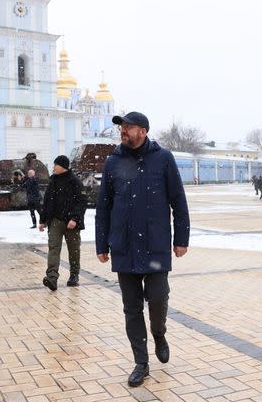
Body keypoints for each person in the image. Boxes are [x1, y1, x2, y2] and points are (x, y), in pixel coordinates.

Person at [95, 111, 190, 388]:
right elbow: (104, 207)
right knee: (131, 308)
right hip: (124, 246)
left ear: (143, 131)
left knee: (158, 298)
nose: (123, 131)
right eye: (121, 127)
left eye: (128, 126)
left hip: (156, 245)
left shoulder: (163, 159)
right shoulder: (113, 162)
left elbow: (178, 201)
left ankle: (159, 333)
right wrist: (102, 244)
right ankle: (141, 362)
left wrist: (181, 238)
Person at [39, 155, 86, 290]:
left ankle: (74, 275)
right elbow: (47, 202)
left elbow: (81, 202)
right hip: (55, 221)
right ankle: (52, 277)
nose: (53, 167)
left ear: (63, 166)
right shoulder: (53, 181)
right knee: (54, 248)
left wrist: (74, 219)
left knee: (74, 250)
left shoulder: (75, 181)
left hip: (71, 222)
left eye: (55, 165)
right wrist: (43, 220)